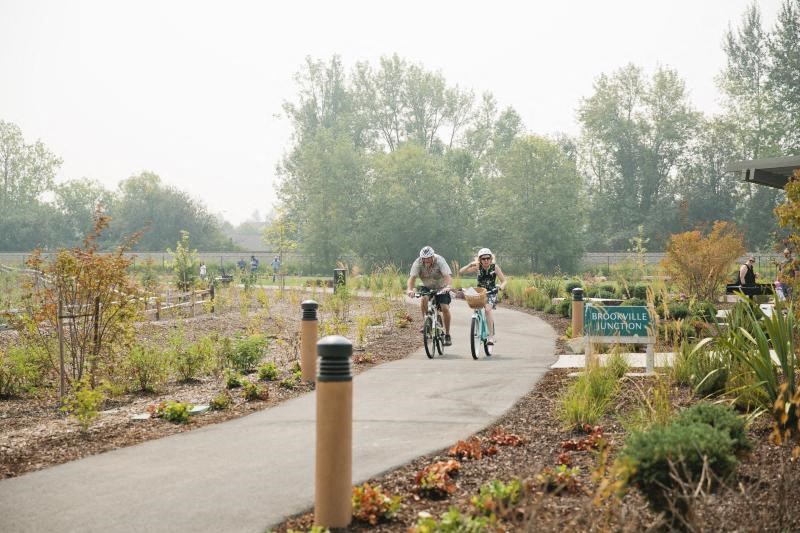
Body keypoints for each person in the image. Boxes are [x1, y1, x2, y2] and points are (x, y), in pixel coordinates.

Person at [459, 248, 507, 345]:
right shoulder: (477, 267)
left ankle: (490, 337)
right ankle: (477, 323)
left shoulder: (495, 267)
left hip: (491, 292)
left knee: (488, 310)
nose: (486, 260)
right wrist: (470, 264)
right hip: (480, 292)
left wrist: (500, 288)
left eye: (488, 258)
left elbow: (504, 281)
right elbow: (461, 272)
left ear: (491, 258)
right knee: (475, 306)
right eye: (483, 259)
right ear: (480, 259)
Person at [407, 246, 453, 346]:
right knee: (424, 298)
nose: (427, 261)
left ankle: (447, 335)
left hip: (441, 287)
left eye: (429, 258)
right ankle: (426, 323)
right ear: (421, 258)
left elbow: (447, 276)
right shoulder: (418, 263)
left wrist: (448, 286)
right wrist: (410, 289)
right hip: (427, 286)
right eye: (424, 259)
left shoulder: (440, 260)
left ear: (433, 256)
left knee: (445, 308)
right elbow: (412, 278)